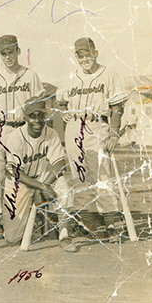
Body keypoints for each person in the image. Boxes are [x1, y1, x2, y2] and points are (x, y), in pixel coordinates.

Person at [55, 37, 129, 239]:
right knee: (80, 175)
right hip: (74, 126)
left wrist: (113, 133)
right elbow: (59, 100)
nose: (84, 58)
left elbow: (117, 107)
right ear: (76, 57)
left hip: (97, 125)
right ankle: (89, 220)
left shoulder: (108, 74)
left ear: (95, 53)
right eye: (80, 55)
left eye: (88, 54)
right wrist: (63, 113)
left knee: (101, 174)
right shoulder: (70, 77)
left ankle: (111, 220)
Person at [0, 35, 44, 236]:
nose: (8, 57)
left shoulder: (30, 75)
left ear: (18, 51)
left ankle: (29, 216)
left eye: (11, 52)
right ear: (0, 54)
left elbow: (41, 99)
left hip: (21, 129)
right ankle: (0, 215)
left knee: (23, 173)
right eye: (4, 53)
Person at [0, 97, 68, 245]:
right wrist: (41, 187)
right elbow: (17, 173)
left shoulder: (52, 133)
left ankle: (64, 233)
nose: (37, 120)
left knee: (64, 187)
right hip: (18, 183)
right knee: (12, 238)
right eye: (32, 116)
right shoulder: (15, 137)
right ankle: (35, 218)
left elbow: (59, 164)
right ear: (25, 117)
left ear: (45, 115)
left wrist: (44, 184)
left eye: (40, 115)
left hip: (42, 178)